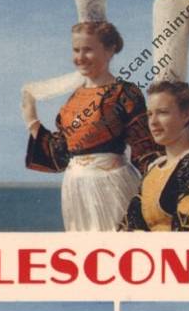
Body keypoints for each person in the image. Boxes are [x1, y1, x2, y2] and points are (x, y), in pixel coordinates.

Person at [23, 20, 162, 231]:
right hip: (76, 190)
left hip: (112, 186)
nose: (79, 57)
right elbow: (60, 153)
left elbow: (145, 149)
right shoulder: (73, 99)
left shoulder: (125, 93)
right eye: (76, 50)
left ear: (110, 50)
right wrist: (31, 118)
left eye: (87, 50)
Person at [121, 80, 189, 231]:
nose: (153, 122)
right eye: (149, 114)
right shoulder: (154, 169)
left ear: (186, 114)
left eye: (162, 112)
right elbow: (129, 226)